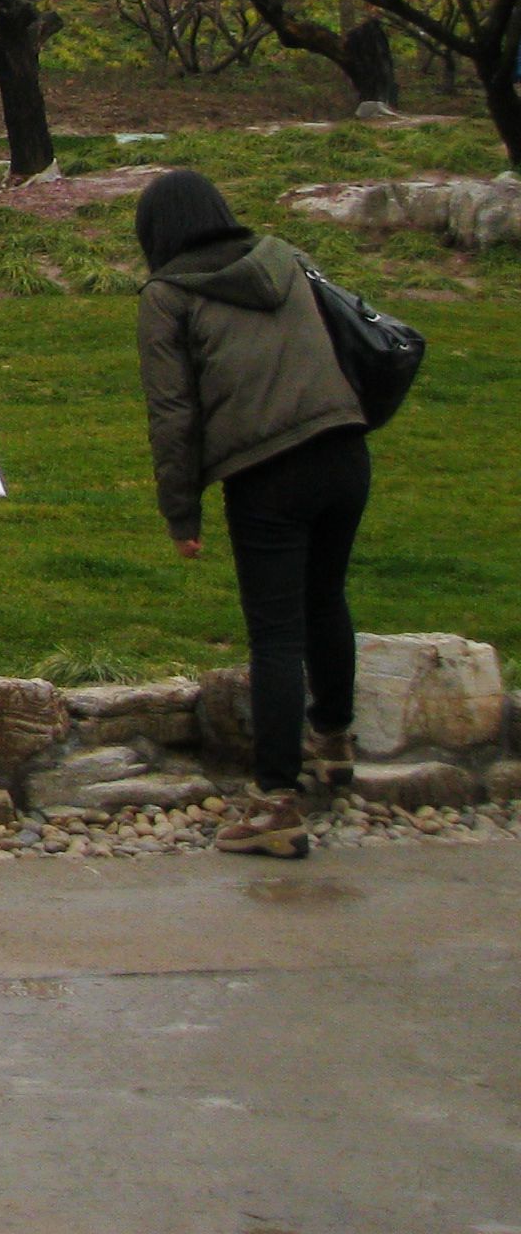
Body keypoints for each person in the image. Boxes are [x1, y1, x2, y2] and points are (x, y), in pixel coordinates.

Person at [134, 167, 369, 860]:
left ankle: (276, 803)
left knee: (275, 633)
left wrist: (181, 514)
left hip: (268, 471)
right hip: (345, 448)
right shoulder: (283, 256)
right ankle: (333, 741)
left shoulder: (167, 294)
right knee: (326, 599)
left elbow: (172, 413)